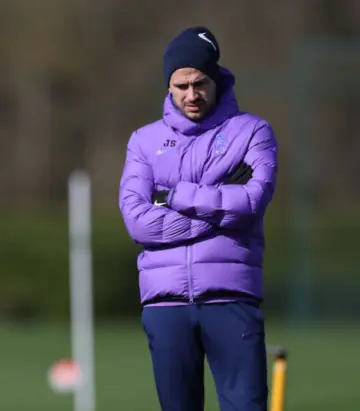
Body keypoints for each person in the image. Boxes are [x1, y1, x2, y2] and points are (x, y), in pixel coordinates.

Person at [119, 26, 278, 411]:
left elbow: (252, 200)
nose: (192, 94)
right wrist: (221, 205)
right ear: (168, 87)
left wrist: (173, 196)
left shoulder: (252, 132)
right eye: (181, 85)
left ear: (216, 78)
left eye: (200, 83)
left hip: (231, 298)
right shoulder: (143, 141)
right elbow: (139, 222)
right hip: (165, 306)